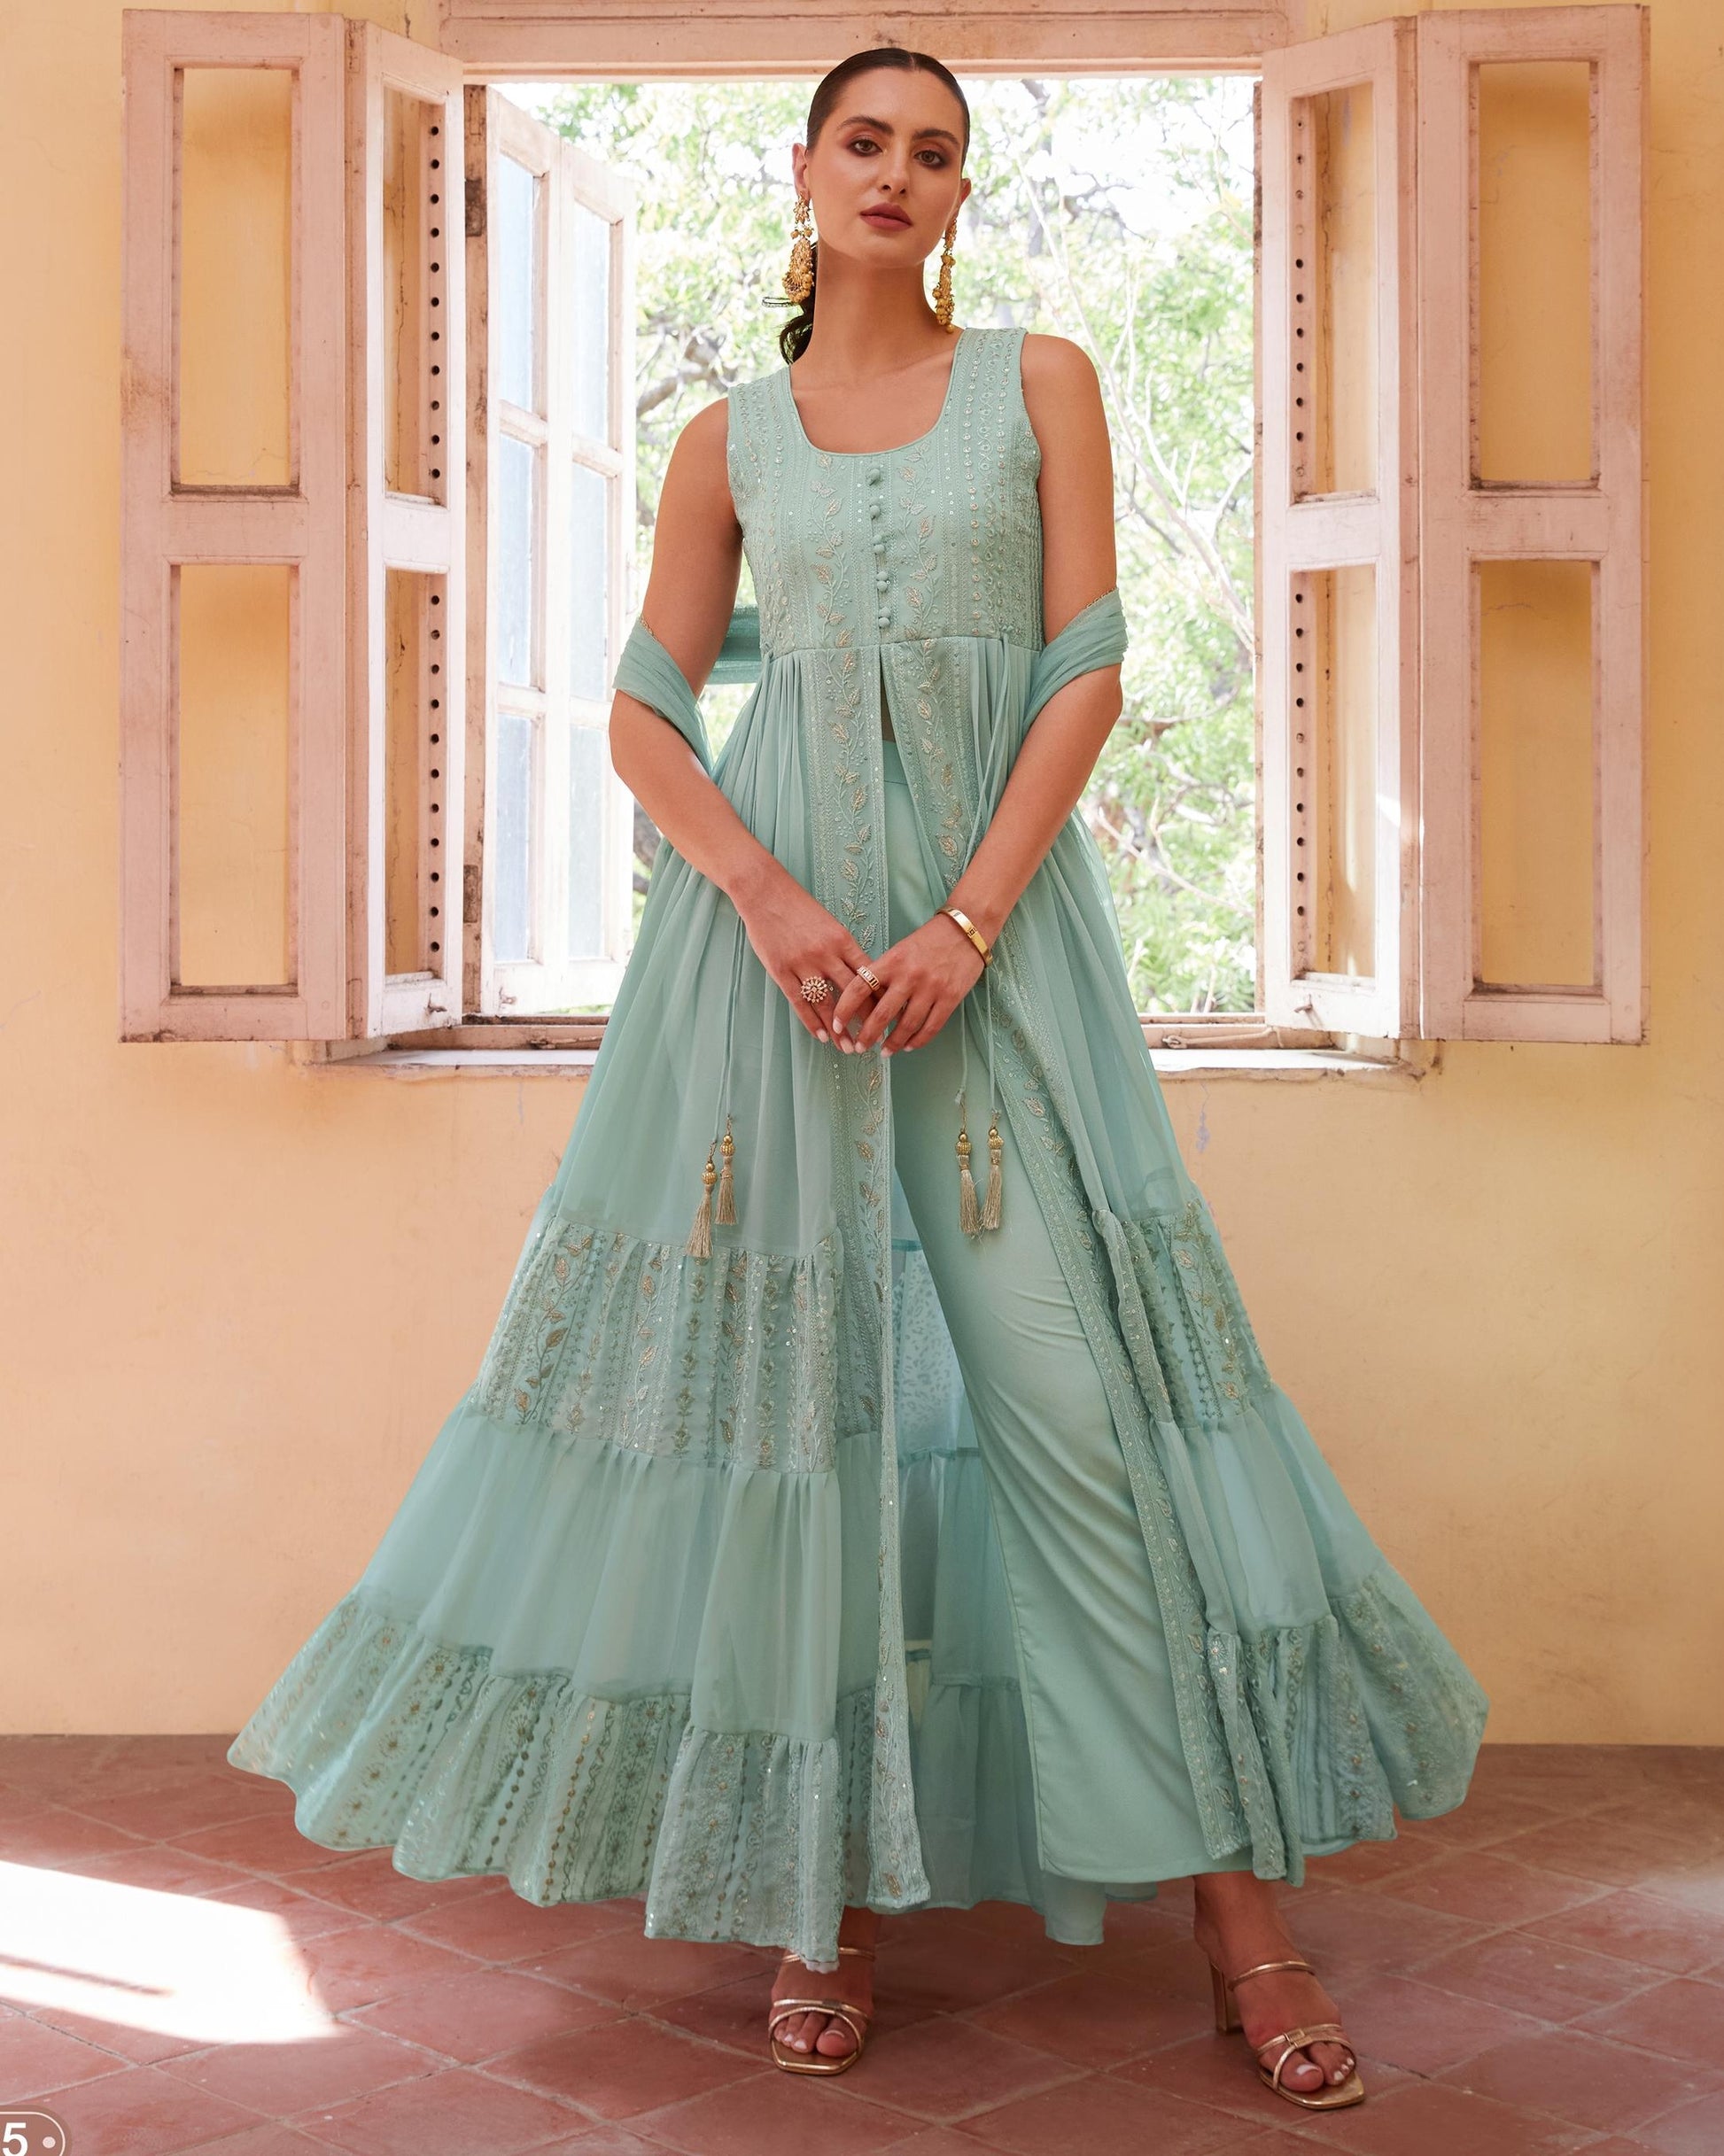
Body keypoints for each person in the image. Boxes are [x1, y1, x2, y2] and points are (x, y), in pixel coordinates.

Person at [228, 44, 1488, 2119]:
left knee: (1099, 1426)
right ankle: (821, 1895)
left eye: (935, 153)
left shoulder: (1044, 379)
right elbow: (646, 708)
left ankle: (1242, 1916)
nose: (897, 176)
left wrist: (963, 921)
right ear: (803, 173)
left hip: (1002, 968)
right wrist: (770, 900)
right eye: (864, 143)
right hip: (774, 987)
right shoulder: (729, 437)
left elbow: (1085, 662)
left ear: (963, 196)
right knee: (794, 1431)